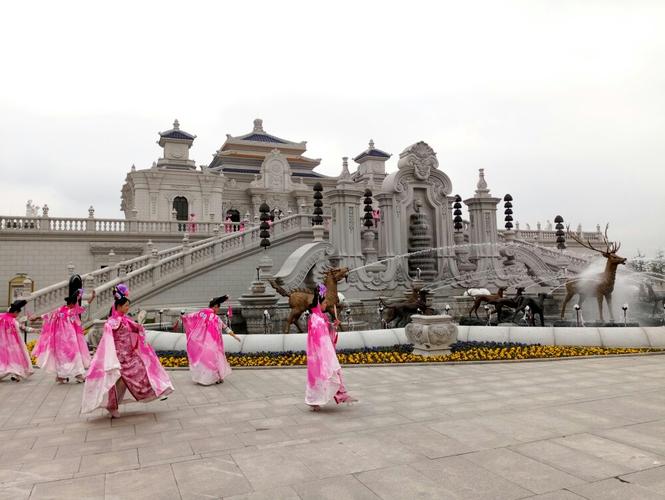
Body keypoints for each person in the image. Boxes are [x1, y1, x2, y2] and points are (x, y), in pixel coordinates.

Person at [81, 284, 173, 418]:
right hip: (117, 358)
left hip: (129, 357)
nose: (128, 308)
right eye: (126, 306)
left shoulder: (124, 320)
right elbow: (107, 339)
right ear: (119, 306)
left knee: (140, 372)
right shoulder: (112, 322)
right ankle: (112, 406)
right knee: (115, 382)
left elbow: (136, 328)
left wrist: (139, 327)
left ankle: (157, 390)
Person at [305, 284, 357, 411]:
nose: (326, 304)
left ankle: (331, 397)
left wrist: (333, 325)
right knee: (320, 375)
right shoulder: (315, 318)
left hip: (324, 351)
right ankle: (314, 400)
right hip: (320, 352)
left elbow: (326, 329)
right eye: (325, 302)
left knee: (327, 374)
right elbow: (318, 337)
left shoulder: (321, 317)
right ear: (319, 303)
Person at [33, 287, 96, 384]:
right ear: (72, 304)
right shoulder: (71, 312)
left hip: (59, 339)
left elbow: (46, 315)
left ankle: (61, 376)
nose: (76, 305)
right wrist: (91, 298)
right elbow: (84, 306)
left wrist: (36, 318)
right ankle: (78, 375)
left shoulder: (59, 311)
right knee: (74, 355)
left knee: (61, 357)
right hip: (70, 339)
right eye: (75, 303)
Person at [182, 295, 241, 385]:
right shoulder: (215, 318)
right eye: (218, 308)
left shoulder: (202, 313)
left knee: (204, 360)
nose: (218, 310)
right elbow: (225, 328)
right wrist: (234, 336)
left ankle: (203, 378)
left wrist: (183, 318)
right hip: (213, 343)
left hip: (202, 342)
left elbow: (191, 317)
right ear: (215, 307)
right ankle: (214, 378)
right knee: (214, 360)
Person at [0, 300, 34, 382]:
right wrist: (34, 330)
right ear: (15, 312)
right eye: (18, 313)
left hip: (2, 343)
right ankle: (15, 374)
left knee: (5, 359)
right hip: (12, 343)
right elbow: (23, 328)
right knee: (15, 358)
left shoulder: (1, 317)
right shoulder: (13, 321)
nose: (18, 315)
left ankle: (15, 375)